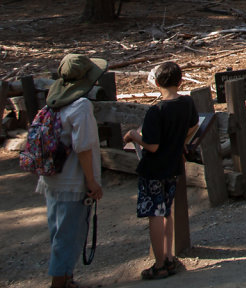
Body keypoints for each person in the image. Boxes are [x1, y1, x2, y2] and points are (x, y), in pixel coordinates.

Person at [123, 61, 200, 279]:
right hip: (174, 165)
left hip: (154, 168)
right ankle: (168, 256)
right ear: (180, 81)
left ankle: (159, 263)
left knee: (154, 214)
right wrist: (181, 141)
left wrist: (133, 136)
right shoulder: (187, 103)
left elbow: (152, 145)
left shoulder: (156, 111)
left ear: (156, 83)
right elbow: (194, 125)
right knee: (166, 211)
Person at [38, 54, 106, 288]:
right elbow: (84, 148)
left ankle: (66, 277)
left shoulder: (54, 102)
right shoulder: (81, 106)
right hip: (73, 180)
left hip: (52, 178)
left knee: (59, 231)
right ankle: (59, 282)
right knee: (69, 235)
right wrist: (92, 182)